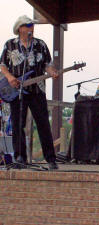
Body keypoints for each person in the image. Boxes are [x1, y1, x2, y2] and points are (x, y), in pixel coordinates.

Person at [0, 15, 59, 170]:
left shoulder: (40, 44)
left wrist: (52, 71)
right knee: (18, 124)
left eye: (32, 25)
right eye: (27, 25)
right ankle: (20, 157)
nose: (31, 27)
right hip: (16, 90)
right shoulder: (10, 45)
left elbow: (48, 64)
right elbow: (3, 65)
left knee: (43, 124)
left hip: (36, 89)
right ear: (20, 28)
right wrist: (10, 77)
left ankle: (51, 159)